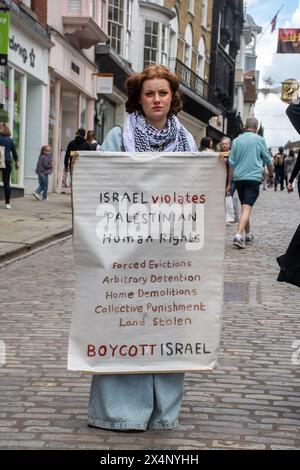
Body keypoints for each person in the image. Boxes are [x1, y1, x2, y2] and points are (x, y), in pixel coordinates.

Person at [88, 65, 197, 431]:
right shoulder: (120, 137)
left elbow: (196, 194)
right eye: (149, 93)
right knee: (125, 326)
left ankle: (164, 411)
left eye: (162, 93)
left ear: (172, 98)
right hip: (126, 251)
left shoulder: (187, 142)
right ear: (138, 98)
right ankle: (120, 412)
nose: (156, 100)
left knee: (167, 329)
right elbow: (100, 186)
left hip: (170, 253)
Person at [227, 116, 274, 249]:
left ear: (244, 126)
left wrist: (229, 183)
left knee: (244, 207)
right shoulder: (260, 140)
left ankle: (248, 235)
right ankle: (237, 235)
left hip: (238, 179)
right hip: (253, 179)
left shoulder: (236, 141)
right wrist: (271, 175)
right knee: (246, 208)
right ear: (257, 128)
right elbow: (268, 161)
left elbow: (231, 163)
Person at [0, 122, 19, 209]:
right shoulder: (10, 140)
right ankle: (7, 203)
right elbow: (14, 153)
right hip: (7, 161)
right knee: (6, 182)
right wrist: (17, 162)